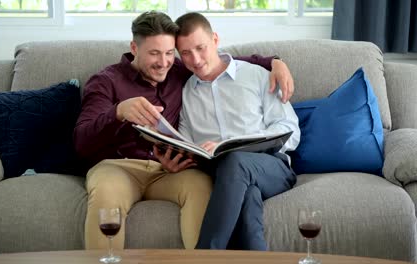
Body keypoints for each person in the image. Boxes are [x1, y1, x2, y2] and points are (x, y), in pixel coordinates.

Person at [73, 11, 295, 251]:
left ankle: (204, 258)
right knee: (108, 194)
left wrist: (275, 61)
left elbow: (218, 62)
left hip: (171, 172)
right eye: (154, 53)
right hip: (120, 167)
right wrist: (117, 112)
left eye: (169, 53)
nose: (163, 62)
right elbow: (81, 141)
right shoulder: (106, 81)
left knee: (205, 185)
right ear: (134, 48)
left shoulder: (180, 70)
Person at [159, 12, 301, 250]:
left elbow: (290, 131)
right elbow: (187, 141)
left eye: (200, 48)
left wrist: (235, 145)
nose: (195, 59)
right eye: (185, 53)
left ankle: (205, 255)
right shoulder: (188, 92)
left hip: (272, 167)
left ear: (215, 40)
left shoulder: (256, 75)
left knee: (235, 162)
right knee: (248, 199)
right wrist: (175, 158)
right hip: (226, 178)